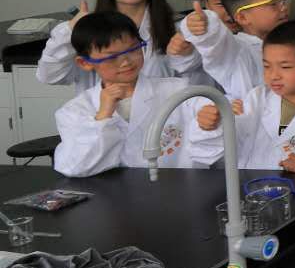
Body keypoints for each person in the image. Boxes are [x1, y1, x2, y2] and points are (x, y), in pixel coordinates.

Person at [51, 11, 221, 177]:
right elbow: (75, 167)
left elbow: (216, 120)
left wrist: (210, 118)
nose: (126, 62)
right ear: (85, 63)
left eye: (133, 49)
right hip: (112, 193)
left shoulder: (179, 91)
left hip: (178, 187)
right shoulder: (74, 111)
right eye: (112, 57)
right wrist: (103, 116)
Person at [37, 0, 182, 92]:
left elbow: (189, 81)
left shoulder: (176, 27)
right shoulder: (88, 29)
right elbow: (49, 76)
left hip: (163, 106)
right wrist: (71, 30)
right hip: (101, 106)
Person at [225, 19, 295, 172]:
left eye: (285, 67)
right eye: (267, 66)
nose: (273, 76)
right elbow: (231, 142)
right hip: (249, 183)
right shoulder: (257, 98)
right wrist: (223, 121)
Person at [185, 0, 293, 99]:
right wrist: (204, 26)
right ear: (242, 17)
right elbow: (213, 41)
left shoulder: (293, 41)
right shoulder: (235, 50)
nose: (283, 7)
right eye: (273, 3)